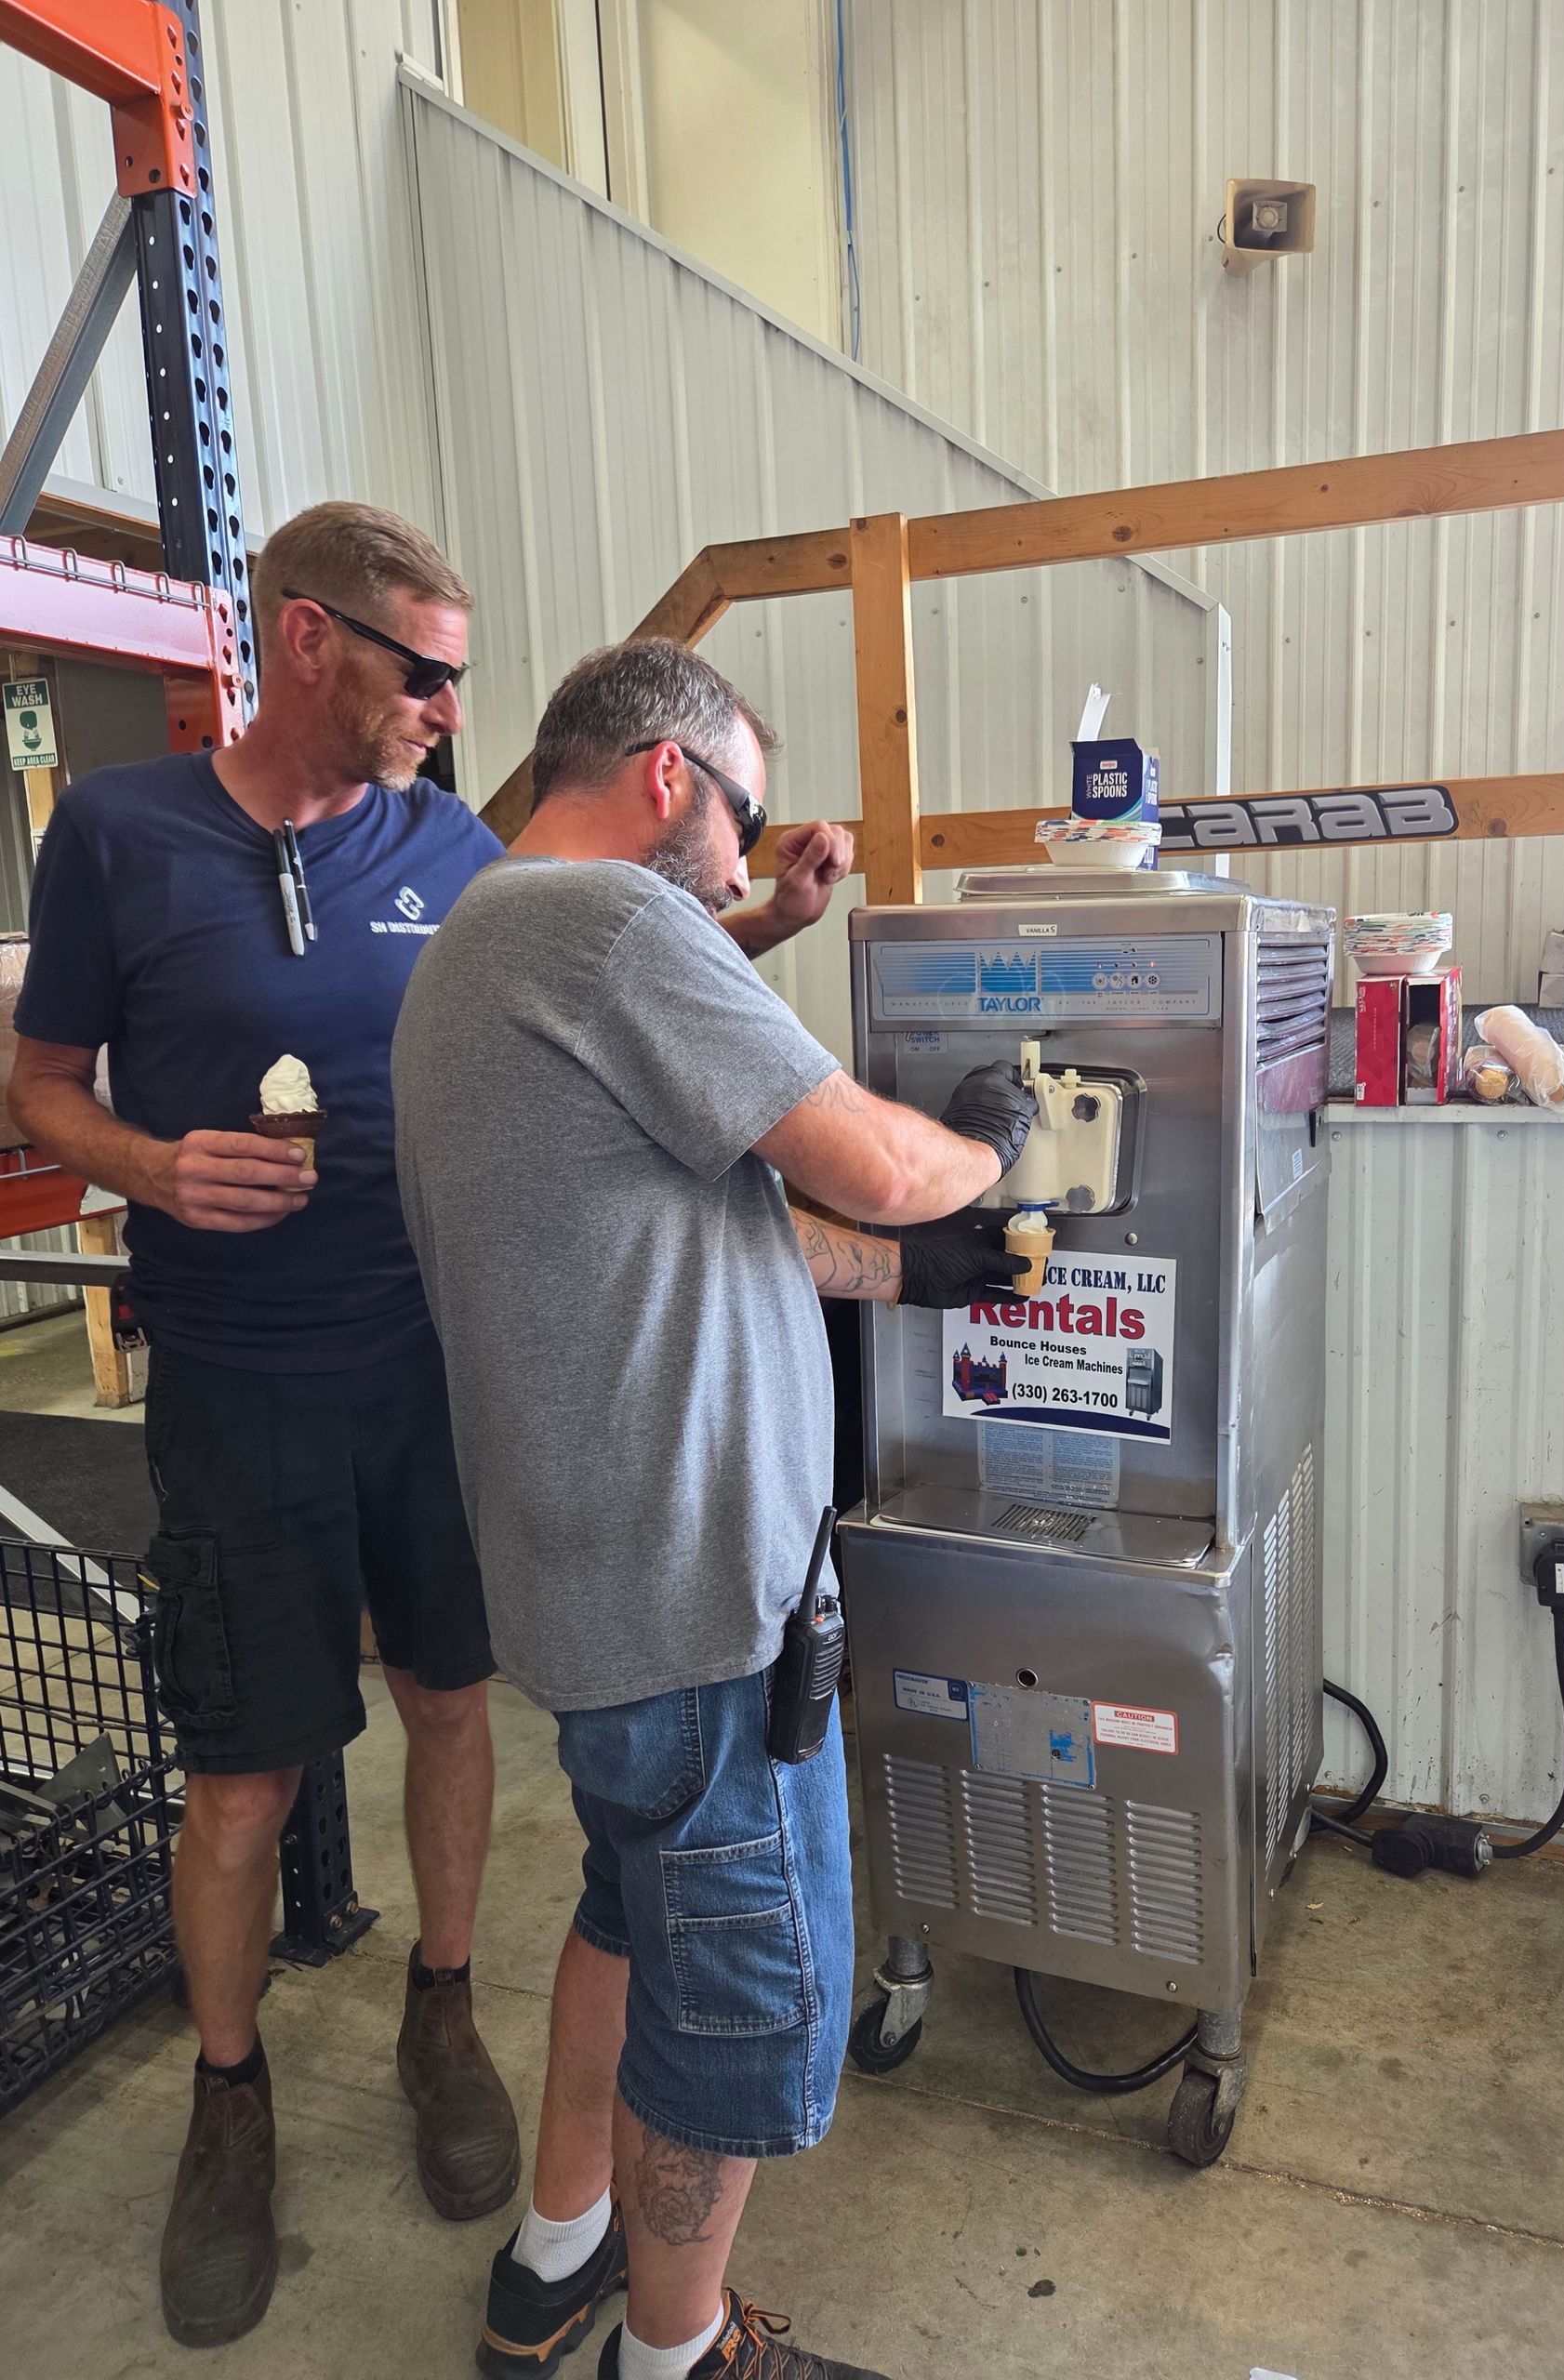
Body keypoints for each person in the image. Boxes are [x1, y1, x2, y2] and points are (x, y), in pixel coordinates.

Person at [6, 518, 855, 2351]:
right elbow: (39, 1081)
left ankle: (444, 2003)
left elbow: (619, 951)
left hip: (448, 1369)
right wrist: (150, 1165)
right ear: (308, 642)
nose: (451, 709)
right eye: (423, 671)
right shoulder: (120, 835)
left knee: (456, 1705)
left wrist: (767, 920)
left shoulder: (455, 844)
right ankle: (231, 2099)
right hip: (236, 1378)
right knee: (245, 1770)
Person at [391, 637, 1038, 2380]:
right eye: (744, 816)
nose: (751, 869)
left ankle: (554, 2265)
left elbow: (681, 1231)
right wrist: (994, 1149)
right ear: (665, 774)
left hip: (595, 1589)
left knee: (630, 1912)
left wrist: (918, 1277)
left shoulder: (480, 944)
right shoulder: (607, 926)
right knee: (737, 2009)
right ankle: (675, 2357)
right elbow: (883, 1167)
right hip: (693, 1606)